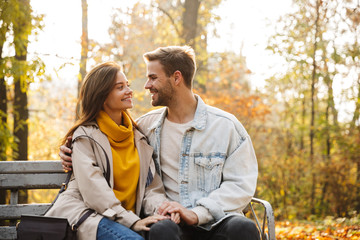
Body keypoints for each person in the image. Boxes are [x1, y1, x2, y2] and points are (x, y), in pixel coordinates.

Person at [61, 46, 260, 240]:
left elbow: (240, 185)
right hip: (170, 222)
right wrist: (69, 151)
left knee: (243, 228)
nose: (146, 86)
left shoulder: (226, 126)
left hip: (215, 221)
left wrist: (198, 213)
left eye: (153, 78)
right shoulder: (145, 127)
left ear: (176, 78)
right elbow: (107, 143)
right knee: (162, 230)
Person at [48, 61, 178, 240]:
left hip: (123, 218)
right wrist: (131, 221)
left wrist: (163, 210)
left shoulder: (138, 137)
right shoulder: (85, 137)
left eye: (128, 85)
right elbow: (96, 193)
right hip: (88, 217)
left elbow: (151, 188)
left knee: (166, 228)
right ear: (102, 95)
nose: (129, 90)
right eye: (120, 87)